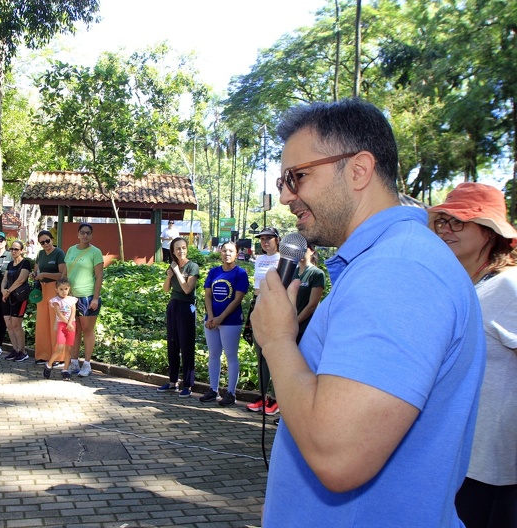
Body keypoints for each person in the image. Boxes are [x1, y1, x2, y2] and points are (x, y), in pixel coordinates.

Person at [250, 98, 485, 526]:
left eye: (297, 177)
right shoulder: (389, 261)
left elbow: (337, 454)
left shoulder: (400, 270)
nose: (285, 196)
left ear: (358, 170)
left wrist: (278, 340)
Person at [427, 182, 517, 528]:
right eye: (442, 221)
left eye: (459, 222)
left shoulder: (507, 285)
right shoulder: (466, 285)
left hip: (493, 472)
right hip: (458, 460)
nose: (446, 229)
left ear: (490, 232)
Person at [199, 241, 249, 406]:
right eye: (224, 250)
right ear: (220, 252)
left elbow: (237, 299)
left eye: (231, 251)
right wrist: (211, 316)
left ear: (236, 254)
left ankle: (231, 393)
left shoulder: (240, 273)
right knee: (213, 355)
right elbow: (208, 295)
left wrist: (221, 318)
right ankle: (213, 390)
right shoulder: (214, 272)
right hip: (212, 321)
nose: (227, 253)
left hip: (231, 321)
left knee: (231, 356)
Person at [157, 237, 200, 397]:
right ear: (173, 251)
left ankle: (188, 385)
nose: (181, 251)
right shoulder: (173, 265)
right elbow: (166, 290)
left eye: (183, 248)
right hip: (173, 305)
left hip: (186, 307)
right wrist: (169, 276)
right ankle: (172, 381)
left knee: (186, 345)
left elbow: (187, 289)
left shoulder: (192, 266)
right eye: (177, 249)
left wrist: (177, 272)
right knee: (173, 344)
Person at [245, 227, 281, 415]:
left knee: (275, 355)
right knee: (260, 357)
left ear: (277, 240)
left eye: (269, 238)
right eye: (262, 238)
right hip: (257, 305)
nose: (265, 241)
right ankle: (262, 396)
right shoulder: (259, 260)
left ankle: (276, 399)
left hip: (274, 306)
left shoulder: (282, 259)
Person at [64, 223, 104, 377]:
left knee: (87, 330)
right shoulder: (71, 250)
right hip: (71, 296)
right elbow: (65, 272)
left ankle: (87, 364)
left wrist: (95, 298)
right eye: (82, 232)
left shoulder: (95, 252)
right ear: (78, 234)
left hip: (87, 296)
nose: (85, 235)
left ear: (91, 235)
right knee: (75, 330)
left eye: (88, 233)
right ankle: (74, 361)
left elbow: (99, 276)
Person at [31, 230, 66, 364]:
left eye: (47, 241)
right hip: (42, 289)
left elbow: (62, 273)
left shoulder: (59, 253)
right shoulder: (40, 254)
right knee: (42, 322)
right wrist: (35, 275)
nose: (45, 244)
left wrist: (45, 274)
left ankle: (58, 357)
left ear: (52, 239)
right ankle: (43, 355)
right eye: (42, 242)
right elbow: (36, 270)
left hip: (54, 288)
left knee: (55, 322)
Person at [0, 240, 32, 361]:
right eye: (11, 249)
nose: (13, 251)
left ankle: (23, 351)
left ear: (21, 250)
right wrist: (3, 290)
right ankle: (15, 349)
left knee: (16, 324)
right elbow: (4, 279)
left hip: (19, 297)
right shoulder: (9, 264)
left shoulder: (25, 263)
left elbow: (21, 280)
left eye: (16, 249)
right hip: (7, 297)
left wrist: (8, 291)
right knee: (8, 323)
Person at [44, 277, 78, 380]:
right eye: (61, 289)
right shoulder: (55, 301)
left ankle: (65, 370)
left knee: (69, 349)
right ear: (57, 290)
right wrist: (67, 323)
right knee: (59, 348)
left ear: (69, 289)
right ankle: (49, 365)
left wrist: (71, 323)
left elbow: (73, 311)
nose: (64, 291)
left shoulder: (72, 300)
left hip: (71, 325)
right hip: (62, 325)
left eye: (66, 289)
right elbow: (58, 313)